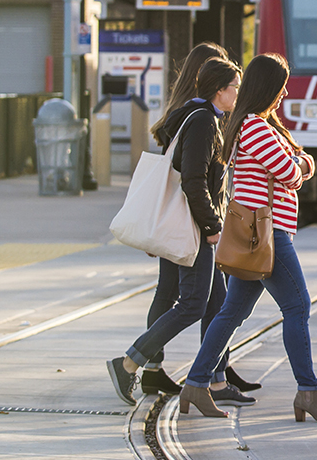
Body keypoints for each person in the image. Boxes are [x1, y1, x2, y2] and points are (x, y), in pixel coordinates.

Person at [177, 53, 317, 423]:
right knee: (298, 306)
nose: (284, 93)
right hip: (267, 235)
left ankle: (195, 382)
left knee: (232, 311)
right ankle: (308, 392)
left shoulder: (257, 125)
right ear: (267, 86)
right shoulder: (254, 127)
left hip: (260, 233)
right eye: (281, 86)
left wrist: (301, 162)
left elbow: (297, 161)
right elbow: (292, 171)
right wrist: (302, 164)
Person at [107, 58, 255, 408]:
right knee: (192, 304)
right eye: (235, 86)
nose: (238, 92)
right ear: (220, 90)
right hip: (192, 227)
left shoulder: (204, 117)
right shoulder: (204, 121)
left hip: (192, 225)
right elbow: (193, 180)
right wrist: (212, 227)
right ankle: (129, 362)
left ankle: (212, 381)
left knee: (215, 301)